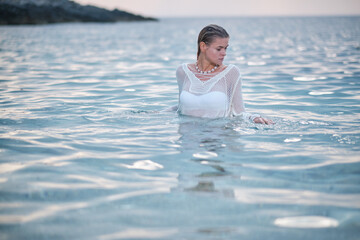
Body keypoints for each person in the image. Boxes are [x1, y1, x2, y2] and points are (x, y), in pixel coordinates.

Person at [176, 24, 273, 124]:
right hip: (187, 138)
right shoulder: (182, 71)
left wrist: (254, 118)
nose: (224, 53)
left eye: (225, 48)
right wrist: (159, 113)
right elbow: (181, 108)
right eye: (219, 49)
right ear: (203, 46)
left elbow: (239, 112)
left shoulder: (231, 73)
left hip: (218, 137)